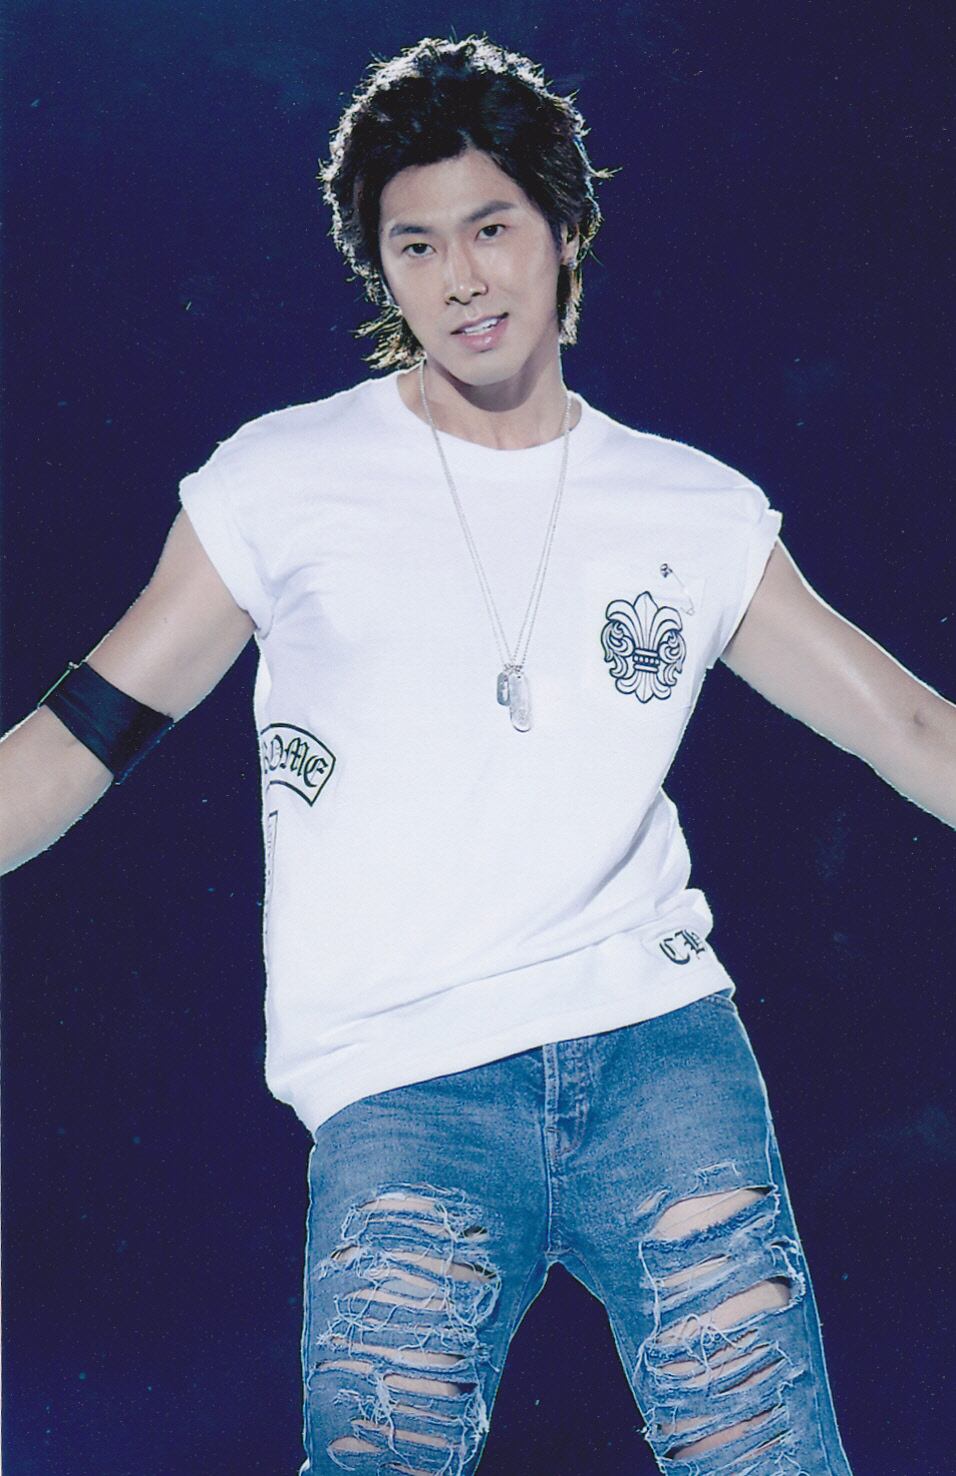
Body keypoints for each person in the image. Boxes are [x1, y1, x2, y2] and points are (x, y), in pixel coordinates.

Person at [1, 34, 953, 1476]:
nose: (462, 278)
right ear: (382, 270)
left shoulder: (689, 509)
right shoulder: (281, 482)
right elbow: (87, 731)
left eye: (493, 228)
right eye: (418, 244)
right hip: (404, 1083)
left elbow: (911, 726)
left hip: (659, 1055)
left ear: (564, 232)